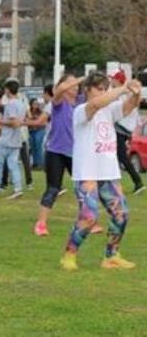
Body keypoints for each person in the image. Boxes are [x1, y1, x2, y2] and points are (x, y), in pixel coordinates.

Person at [60, 72, 141, 271]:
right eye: (99, 88)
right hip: (87, 172)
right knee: (89, 217)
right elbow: (96, 105)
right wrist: (122, 88)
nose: (103, 92)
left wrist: (136, 93)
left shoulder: (110, 110)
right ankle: (69, 255)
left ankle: (111, 256)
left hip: (108, 171)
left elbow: (129, 106)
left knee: (121, 214)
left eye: (105, 88)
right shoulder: (81, 110)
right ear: (87, 90)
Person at [34, 75, 82, 236]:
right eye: (70, 83)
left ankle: (88, 220)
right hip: (55, 151)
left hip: (75, 152)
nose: (75, 86)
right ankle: (41, 224)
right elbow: (59, 91)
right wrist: (77, 80)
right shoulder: (59, 103)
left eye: (76, 84)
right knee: (53, 188)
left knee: (83, 187)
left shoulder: (81, 103)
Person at [109, 70, 145, 195]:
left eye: (113, 78)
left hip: (120, 129)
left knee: (121, 156)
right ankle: (134, 182)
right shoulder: (122, 93)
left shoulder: (124, 94)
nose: (111, 80)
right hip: (123, 130)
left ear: (118, 80)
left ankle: (138, 182)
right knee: (117, 156)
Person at [0, 79, 26, 199]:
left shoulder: (11, 104)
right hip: (16, 139)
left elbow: (14, 122)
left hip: (6, 139)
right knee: (13, 164)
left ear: (8, 90)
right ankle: (18, 187)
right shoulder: (21, 103)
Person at [26, 98, 48, 170]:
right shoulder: (29, 112)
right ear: (31, 105)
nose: (36, 105)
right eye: (34, 104)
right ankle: (35, 163)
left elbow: (43, 121)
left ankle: (40, 163)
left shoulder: (41, 112)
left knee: (38, 146)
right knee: (33, 147)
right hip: (31, 131)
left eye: (37, 104)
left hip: (39, 130)